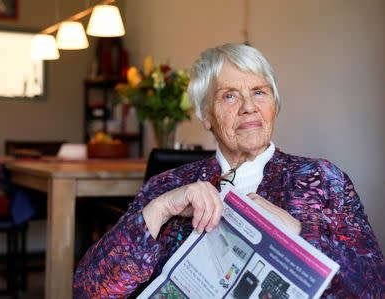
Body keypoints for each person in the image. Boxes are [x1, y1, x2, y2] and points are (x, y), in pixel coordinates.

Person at [73, 43, 384, 298]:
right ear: (205, 115)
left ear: (274, 103)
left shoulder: (323, 180)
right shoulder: (168, 185)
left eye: (259, 92)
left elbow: (374, 286)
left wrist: (299, 234)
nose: (248, 106)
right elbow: (89, 290)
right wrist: (162, 208)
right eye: (229, 95)